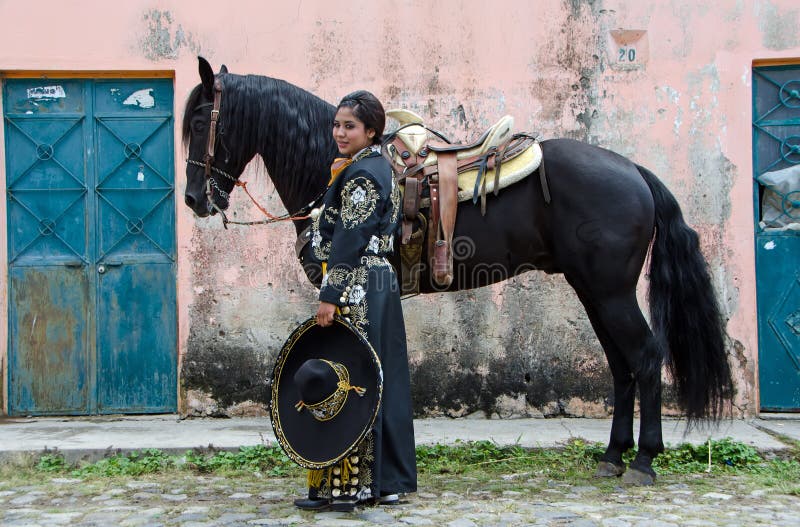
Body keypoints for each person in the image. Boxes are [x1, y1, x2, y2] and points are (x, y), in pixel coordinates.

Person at [294, 90, 417, 511]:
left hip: (359, 283)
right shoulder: (372, 166)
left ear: (371, 131)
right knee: (380, 377)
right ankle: (384, 483)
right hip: (377, 281)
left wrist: (331, 294)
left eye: (350, 126)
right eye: (337, 124)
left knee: (350, 378)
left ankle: (351, 488)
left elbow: (350, 239)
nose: (340, 132)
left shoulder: (364, 175)